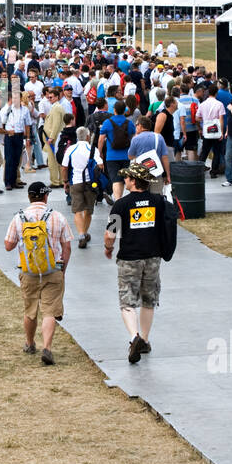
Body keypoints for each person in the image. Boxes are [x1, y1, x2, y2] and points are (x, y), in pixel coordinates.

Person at [105, 162, 181, 363]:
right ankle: (145, 341)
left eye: (127, 178)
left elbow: (109, 235)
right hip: (153, 258)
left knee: (127, 301)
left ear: (133, 181)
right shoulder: (158, 201)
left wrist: (108, 248)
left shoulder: (120, 204)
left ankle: (134, 337)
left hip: (129, 258)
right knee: (149, 300)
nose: (124, 180)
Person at [2, 182, 73, 366]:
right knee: (50, 311)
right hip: (53, 269)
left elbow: (8, 246)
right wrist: (62, 270)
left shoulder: (19, 218)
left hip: (29, 271)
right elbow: (67, 247)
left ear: (29, 197)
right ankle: (47, 348)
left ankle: (30, 343)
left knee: (30, 310)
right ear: (45, 197)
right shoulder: (57, 217)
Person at [99, 100, 134, 201]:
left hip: (111, 156)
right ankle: (120, 199)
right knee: (123, 179)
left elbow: (101, 139)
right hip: (125, 155)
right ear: (124, 110)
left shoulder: (107, 122)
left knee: (115, 180)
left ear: (114, 110)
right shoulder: (129, 123)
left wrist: (100, 152)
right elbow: (134, 137)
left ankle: (118, 201)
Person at [127, 114, 170, 195]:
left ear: (140, 126)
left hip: (141, 174)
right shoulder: (159, 137)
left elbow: (130, 156)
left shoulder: (135, 139)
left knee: (142, 197)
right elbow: (164, 157)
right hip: (156, 172)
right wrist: (168, 175)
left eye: (136, 125)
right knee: (156, 197)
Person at [1, 90, 31, 191]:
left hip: (19, 135)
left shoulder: (25, 110)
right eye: (14, 98)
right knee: (9, 159)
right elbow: (2, 123)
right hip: (9, 135)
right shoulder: (8, 109)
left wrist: (28, 138)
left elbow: (27, 124)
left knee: (17, 159)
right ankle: (8, 182)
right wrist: (3, 137)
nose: (16, 100)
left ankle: (14, 181)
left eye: (17, 98)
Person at [196, 86, 226, 178]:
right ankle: (213, 172)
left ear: (208, 93)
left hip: (206, 132)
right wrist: (221, 132)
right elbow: (221, 119)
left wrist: (204, 120)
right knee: (217, 152)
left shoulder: (202, 104)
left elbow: (197, 118)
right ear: (216, 93)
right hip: (216, 132)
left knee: (204, 152)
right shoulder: (219, 104)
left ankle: (198, 172)